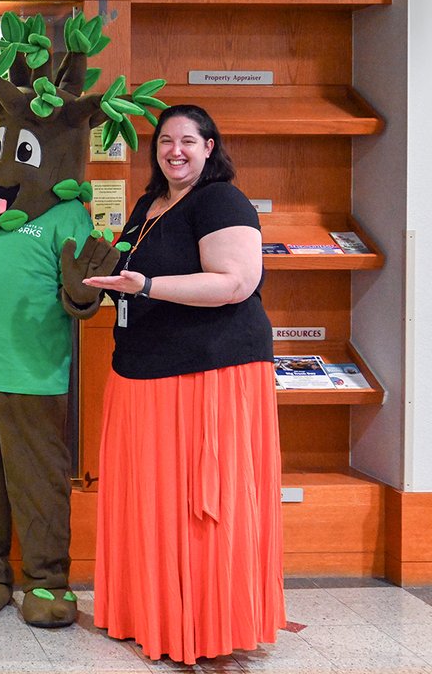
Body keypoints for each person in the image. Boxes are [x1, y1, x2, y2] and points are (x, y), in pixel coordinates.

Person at [82, 104, 284, 664]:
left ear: (209, 148)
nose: (175, 150)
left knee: (198, 505)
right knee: (150, 502)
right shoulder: (148, 205)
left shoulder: (221, 200)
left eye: (188, 141)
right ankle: (151, 614)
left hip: (208, 374)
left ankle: (206, 629)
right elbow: (128, 283)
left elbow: (235, 282)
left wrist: (144, 284)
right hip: (142, 371)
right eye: (166, 141)